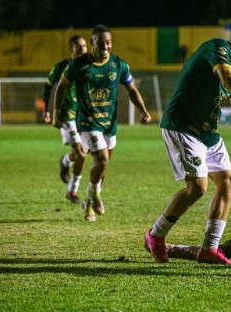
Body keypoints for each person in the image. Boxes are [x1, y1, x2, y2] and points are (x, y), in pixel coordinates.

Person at [144, 24, 231, 265]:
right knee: (197, 187)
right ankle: (155, 235)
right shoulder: (217, 48)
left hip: (208, 132)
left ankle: (209, 249)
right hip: (182, 126)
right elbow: (226, 78)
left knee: (227, 182)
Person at [52, 25, 152, 222]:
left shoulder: (119, 64)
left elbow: (131, 89)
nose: (105, 46)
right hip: (87, 122)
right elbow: (61, 87)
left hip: (109, 124)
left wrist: (144, 111)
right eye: (100, 43)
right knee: (102, 160)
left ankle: (89, 202)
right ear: (92, 43)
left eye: (108, 42)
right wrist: (55, 113)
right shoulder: (79, 65)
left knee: (102, 167)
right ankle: (94, 197)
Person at [42, 34, 88, 204]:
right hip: (66, 114)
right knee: (82, 155)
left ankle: (65, 160)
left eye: (84, 45)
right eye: (78, 46)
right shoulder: (62, 66)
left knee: (81, 153)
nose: (82, 48)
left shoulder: (88, 66)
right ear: (72, 49)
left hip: (83, 116)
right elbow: (48, 86)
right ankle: (72, 192)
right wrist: (48, 110)